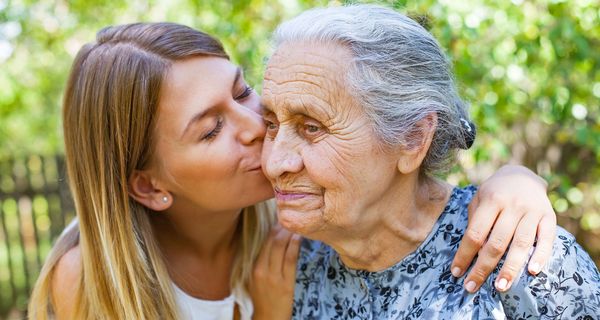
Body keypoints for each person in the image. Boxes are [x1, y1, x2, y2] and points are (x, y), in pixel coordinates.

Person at [29, 22, 556, 320]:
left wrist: (516, 180)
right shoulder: (92, 282)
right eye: (211, 130)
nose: (260, 127)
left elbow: (388, 155)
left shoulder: (303, 218)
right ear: (148, 185)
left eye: (241, 92)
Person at [260, 5, 600, 319]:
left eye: (312, 127)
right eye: (272, 124)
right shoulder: (286, 262)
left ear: (412, 139)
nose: (275, 163)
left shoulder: (524, 258)